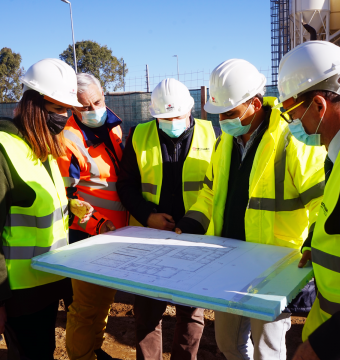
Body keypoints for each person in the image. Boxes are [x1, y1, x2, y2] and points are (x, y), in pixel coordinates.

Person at [175, 59, 327, 360]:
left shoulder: (291, 140)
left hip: (273, 268)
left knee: (267, 350)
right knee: (228, 343)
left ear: (255, 104)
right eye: (219, 115)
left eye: (230, 114)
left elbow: (321, 200)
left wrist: (313, 242)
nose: (223, 122)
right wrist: (191, 223)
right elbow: (209, 192)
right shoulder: (225, 143)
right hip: (228, 262)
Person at [117, 78, 220, 360]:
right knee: (148, 313)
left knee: (191, 312)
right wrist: (148, 216)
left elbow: (217, 188)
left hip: (194, 237)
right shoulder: (140, 135)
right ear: (155, 115)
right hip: (149, 239)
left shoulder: (212, 135)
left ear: (190, 110)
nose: (171, 122)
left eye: (176, 116)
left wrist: (194, 223)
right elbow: (125, 185)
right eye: (164, 118)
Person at [0, 58, 92, 360]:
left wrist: (69, 204)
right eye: (57, 109)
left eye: (67, 110)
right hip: (17, 293)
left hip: (47, 282)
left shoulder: (42, 146)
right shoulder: (4, 147)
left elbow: (37, 203)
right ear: (33, 105)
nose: (64, 117)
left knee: (44, 351)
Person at [275, 41, 340, 360]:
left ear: (319, 106)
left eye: (291, 113)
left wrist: (328, 345)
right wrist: (314, 242)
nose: (291, 124)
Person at [56, 73, 128, 360]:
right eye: (84, 106)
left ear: (104, 96)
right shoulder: (67, 141)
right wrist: (98, 224)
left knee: (103, 303)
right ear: (73, 106)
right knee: (85, 309)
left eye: (97, 102)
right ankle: (82, 356)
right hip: (87, 237)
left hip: (116, 234)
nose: (93, 109)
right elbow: (67, 198)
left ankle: (94, 350)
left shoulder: (114, 127)